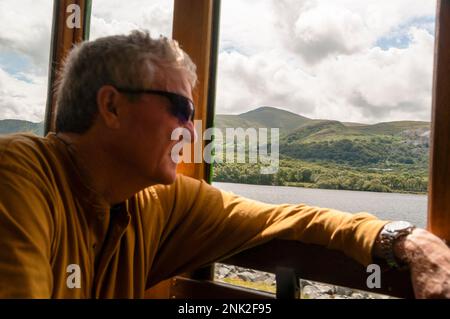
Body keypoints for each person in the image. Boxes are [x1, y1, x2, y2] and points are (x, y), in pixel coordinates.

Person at [0, 30, 448, 299]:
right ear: (112, 106)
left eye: (193, 117)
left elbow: (281, 217)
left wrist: (403, 239)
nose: (192, 133)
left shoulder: (154, 200)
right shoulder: (18, 174)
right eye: (180, 109)